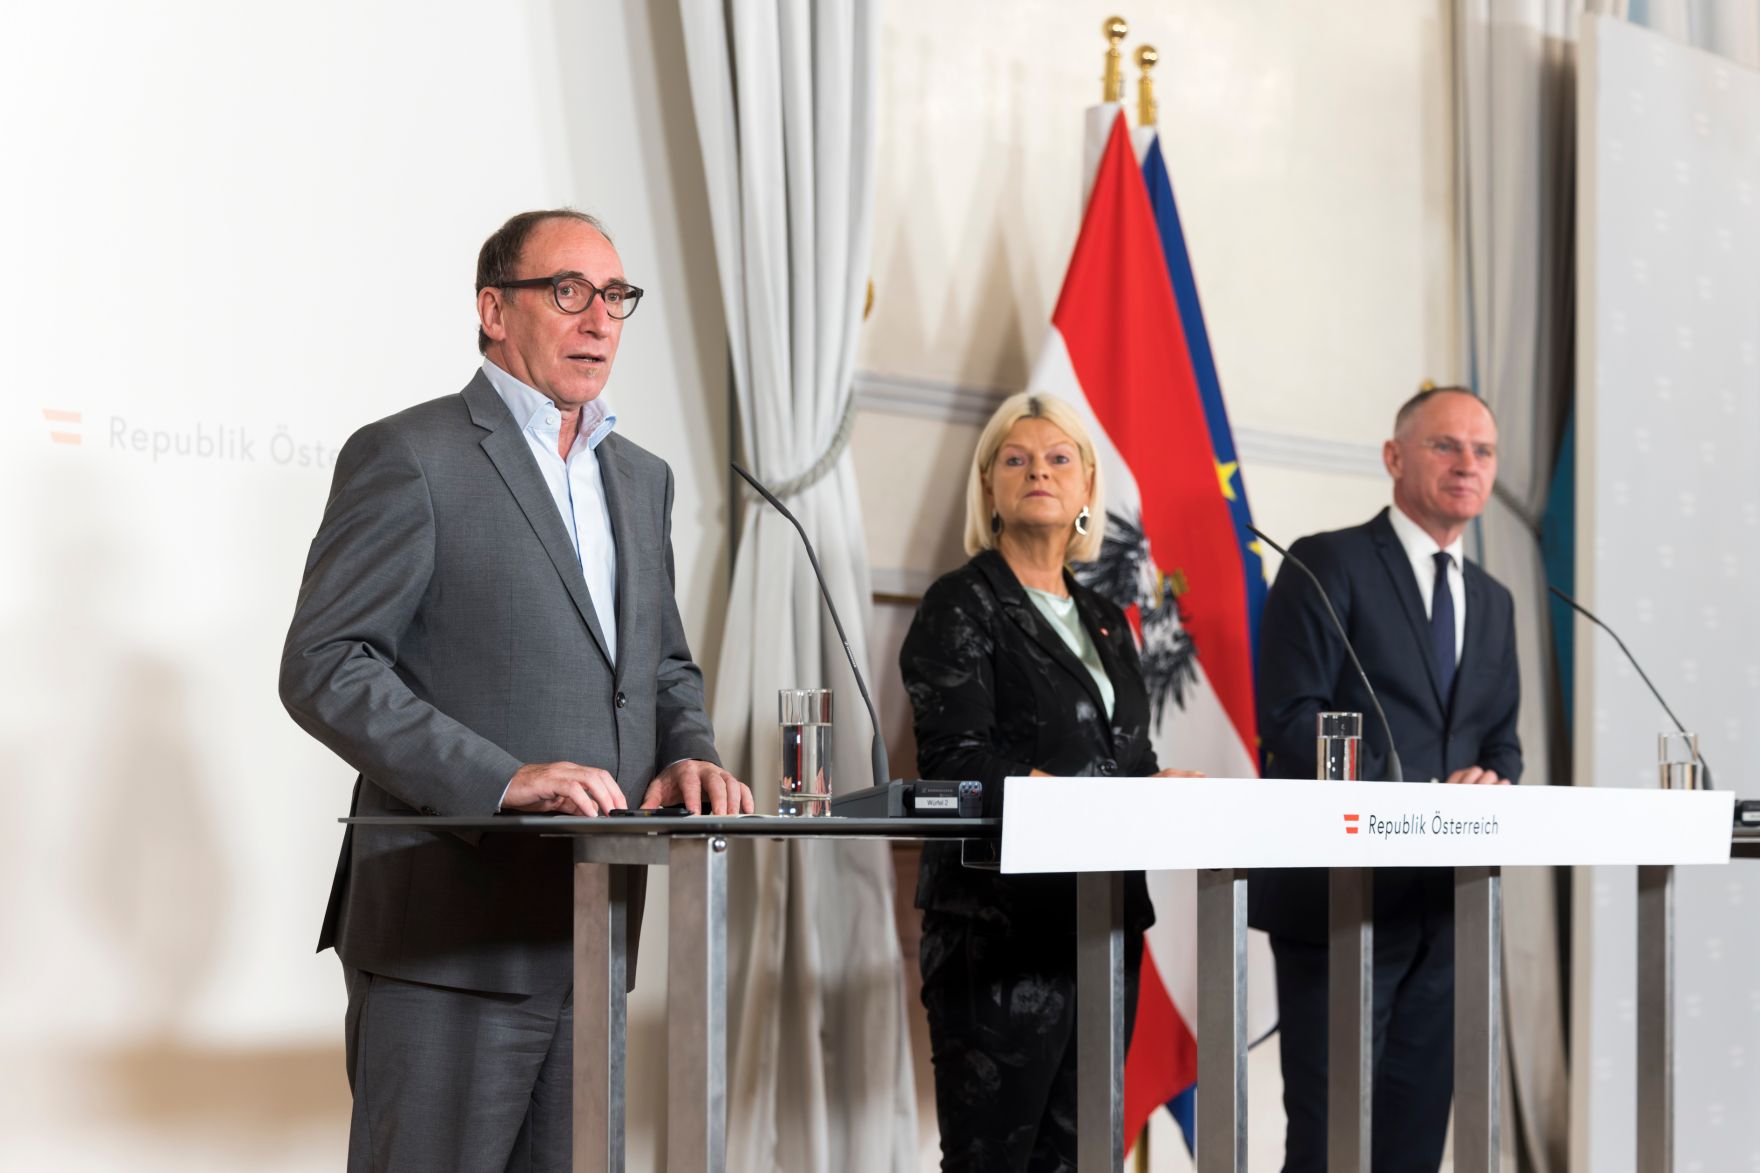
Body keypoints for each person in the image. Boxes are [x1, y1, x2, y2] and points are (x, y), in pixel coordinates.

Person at [279, 208, 752, 1172]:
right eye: (567, 291)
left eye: (615, 296)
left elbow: (660, 664)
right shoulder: (412, 455)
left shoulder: (643, 478)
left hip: (590, 934)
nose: (598, 319)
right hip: (449, 941)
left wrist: (689, 750)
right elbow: (325, 661)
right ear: (494, 309)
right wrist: (501, 779)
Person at [899, 391, 1195, 1171]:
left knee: (1086, 1156)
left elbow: (1124, 759)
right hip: (999, 933)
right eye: (1017, 459)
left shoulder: (1106, 616)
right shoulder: (960, 604)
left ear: (1088, 487)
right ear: (989, 485)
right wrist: (1093, 796)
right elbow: (957, 764)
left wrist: (1164, 786)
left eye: (1060, 458)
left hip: (1105, 928)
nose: (1040, 471)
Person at [1250, 385, 1521, 1173]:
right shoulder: (1325, 561)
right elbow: (1292, 720)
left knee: (1412, 1146)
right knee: (1332, 1142)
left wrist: (1491, 779)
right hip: (1341, 900)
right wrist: (1411, 791)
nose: (1468, 464)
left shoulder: (1496, 601)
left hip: (1448, 909)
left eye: (1484, 451)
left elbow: (1501, 745)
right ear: (1394, 456)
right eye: (1446, 445)